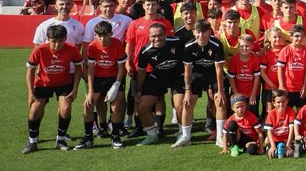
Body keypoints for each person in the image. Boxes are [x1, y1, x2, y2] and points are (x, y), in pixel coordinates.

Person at [23, 25, 82, 153]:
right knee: (34, 110)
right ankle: (33, 141)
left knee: (65, 109)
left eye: (60, 41)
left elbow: (78, 68)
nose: (57, 44)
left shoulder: (72, 49)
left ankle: (60, 140)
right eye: (53, 41)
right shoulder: (39, 50)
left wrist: (75, 88)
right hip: (42, 84)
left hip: (64, 83)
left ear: (65, 38)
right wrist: (30, 92)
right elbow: (30, 71)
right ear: (48, 39)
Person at [75, 20, 127, 149]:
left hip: (115, 77)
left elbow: (122, 68)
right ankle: (88, 138)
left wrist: (116, 85)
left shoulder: (117, 44)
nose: (102, 38)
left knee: (116, 106)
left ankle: (115, 136)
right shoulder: (92, 46)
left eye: (105, 35)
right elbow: (91, 69)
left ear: (111, 34)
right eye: (99, 35)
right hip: (98, 78)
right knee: (87, 105)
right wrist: (91, 91)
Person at [133, 23, 187, 147]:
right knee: (142, 107)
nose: (157, 39)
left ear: (166, 34)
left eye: (160, 35)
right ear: (149, 36)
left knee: (179, 106)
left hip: (177, 77)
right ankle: (152, 135)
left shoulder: (177, 41)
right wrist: (139, 91)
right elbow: (141, 72)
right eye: (153, 36)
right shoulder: (145, 51)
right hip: (158, 77)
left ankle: (182, 133)